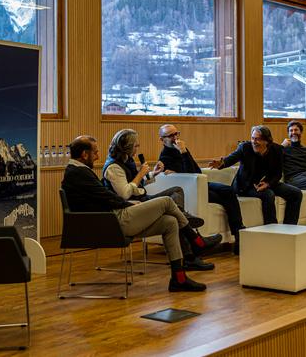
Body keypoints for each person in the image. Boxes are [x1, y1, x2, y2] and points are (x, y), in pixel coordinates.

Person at [62, 135, 213, 292]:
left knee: (170, 222)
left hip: (111, 219)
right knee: (167, 201)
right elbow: (109, 196)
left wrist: (133, 200)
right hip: (111, 223)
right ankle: (196, 240)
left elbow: (105, 196)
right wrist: (129, 204)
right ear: (84, 154)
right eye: (95, 152)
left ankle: (179, 279)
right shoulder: (79, 173)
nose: (98, 156)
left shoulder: (77, 171)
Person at [102, 129, 221, 270]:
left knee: (176, 191)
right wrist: (140, 174)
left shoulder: (126, 160)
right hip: (132, 206)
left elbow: (136, 184)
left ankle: (185, 224)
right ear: (127, 147)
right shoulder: (114, 167)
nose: (137, 148)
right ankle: (192, 236)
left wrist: (153, 173)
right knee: (170, 207)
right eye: (135, 146)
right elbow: (125, 193)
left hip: (141, 199)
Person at [158, 124, 245, 254]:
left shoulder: (182, 149)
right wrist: (183, 152)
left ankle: (238, 232)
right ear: (162, 140)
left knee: (228, 190)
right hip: (191, 189)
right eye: (171, 135)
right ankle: (238, 235)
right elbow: (190, 175)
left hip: (201, 182)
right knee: (225, 197)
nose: (175, 138)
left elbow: (196, 171)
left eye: (177, 134)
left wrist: (184, 152)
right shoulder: (165, 156)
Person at [209, 125, 303, 225]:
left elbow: (277, 174)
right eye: (253, 138)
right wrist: (221, 163)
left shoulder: (277, 150)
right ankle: (272, 227)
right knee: (268, 194)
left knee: (296, 193)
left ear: (267, 141)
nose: (254, 142)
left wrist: (268, 184)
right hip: (246, 186)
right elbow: (232, 158)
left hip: (267, 182)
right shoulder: (245, 147)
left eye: (258, 139)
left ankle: (289, 227)